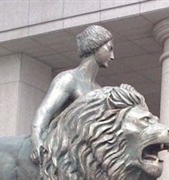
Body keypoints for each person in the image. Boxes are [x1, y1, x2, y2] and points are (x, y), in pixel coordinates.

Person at [30, 24, 114, 164]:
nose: (112, 56)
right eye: (109, 49)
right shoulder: (68, 79)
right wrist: (36, 140)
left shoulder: (99, 90)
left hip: (85, 157)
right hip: (62, 155)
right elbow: (45, 111)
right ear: (95, 46)